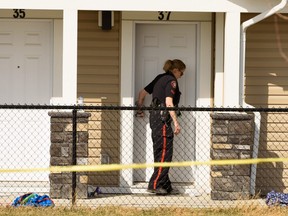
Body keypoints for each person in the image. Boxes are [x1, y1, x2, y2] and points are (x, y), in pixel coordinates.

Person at [140, 59, 186, 195]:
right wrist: (176, 122)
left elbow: (141, 94)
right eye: (181, 73)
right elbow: (168, 102)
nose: (180, 76)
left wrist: (140, 109)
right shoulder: (171, 81)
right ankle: (154, 184)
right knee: (165, 153)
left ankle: (166, 186)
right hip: (162, 119)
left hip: (154, 118)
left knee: (160, 152)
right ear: (176, 70)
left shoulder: (159, 78)